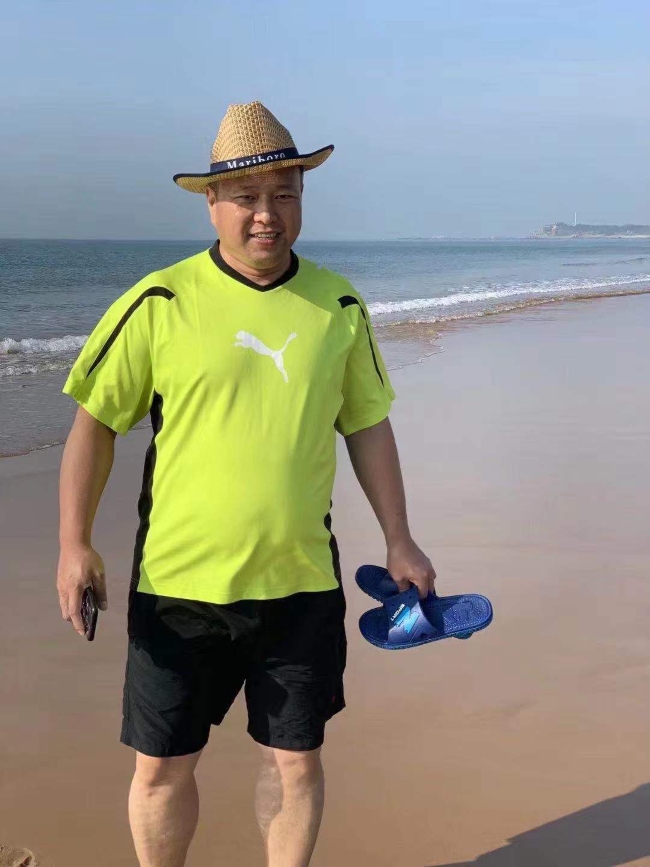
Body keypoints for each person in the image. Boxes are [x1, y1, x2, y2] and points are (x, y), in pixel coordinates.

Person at [56, 101, 435, 867]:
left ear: (302, 198)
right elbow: (95, 423)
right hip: (179, 585)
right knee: (161, 768)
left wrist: (400, 538)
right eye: (248, 196)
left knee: (295, 763)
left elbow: (366, 425)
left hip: (299, 584)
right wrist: (74, 542)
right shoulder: (161, 301)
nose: (268, 213)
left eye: (285, 193)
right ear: (212, 203)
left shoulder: (337, 306)